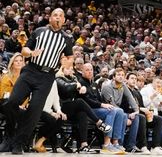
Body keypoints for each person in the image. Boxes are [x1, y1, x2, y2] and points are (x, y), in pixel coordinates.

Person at [0, 8, 73, 154]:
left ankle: (18, 144)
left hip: (47, 77)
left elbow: (70, 57)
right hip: (30, 70)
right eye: (55, 15)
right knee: (12, 102)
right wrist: (31, 53)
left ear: (64, 20)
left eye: (60, 16)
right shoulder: (39, 31)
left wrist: (67, 63)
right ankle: (12, 133)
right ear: (50, 18)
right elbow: (24, 50)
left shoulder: (66, 38)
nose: (57, 18)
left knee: (34, 112)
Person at [57, 64, 114, 153]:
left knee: (82, 113)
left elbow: (80, 89)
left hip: (70, 108)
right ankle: (99, 122)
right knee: (79, 101)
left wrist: (83, 88)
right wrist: (77, 86)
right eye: (68, 69)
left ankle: (84, 145)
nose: (71, 71)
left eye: (71, 69)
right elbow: (66, 87)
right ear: (62, 70)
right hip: (60, 107)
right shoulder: (58, 79)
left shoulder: (74, 79)